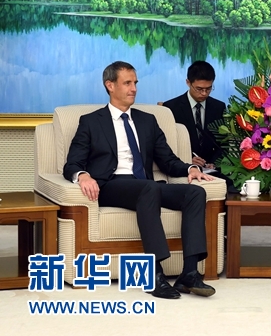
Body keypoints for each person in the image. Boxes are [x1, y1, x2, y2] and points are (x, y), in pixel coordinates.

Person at [63, 61, 217, 300]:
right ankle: (154, 274)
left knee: (195, 193)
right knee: (149, 188)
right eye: (127, 83)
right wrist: (82, 175)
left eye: (135, 83)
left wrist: (191, 168)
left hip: (146, 187)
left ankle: (189, 273)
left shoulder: (147, 120)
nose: (134, 88)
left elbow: (167, 160)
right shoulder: (91, 122)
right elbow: (72, 163)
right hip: (112, 185)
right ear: (110, 85)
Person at [162, 61, 226, 171]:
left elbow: (223, 143)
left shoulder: (219, 107)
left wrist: (214, 163)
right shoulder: (171, 107)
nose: (204, 93)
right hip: (184, 168)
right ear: (188, 82)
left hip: (211, 170)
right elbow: (166, 145)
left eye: (208, 89)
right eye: (199, 89)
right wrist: (187, 158)